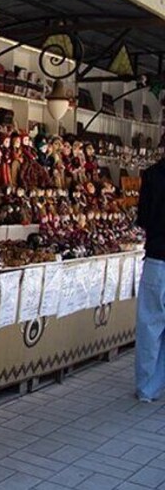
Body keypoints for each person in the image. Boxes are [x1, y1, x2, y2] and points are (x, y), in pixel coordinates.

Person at [136, 156, 165, 402]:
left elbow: (143, 217)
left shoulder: (152, 175)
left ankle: (147, 387)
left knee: (150, 326)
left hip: (157, 259)